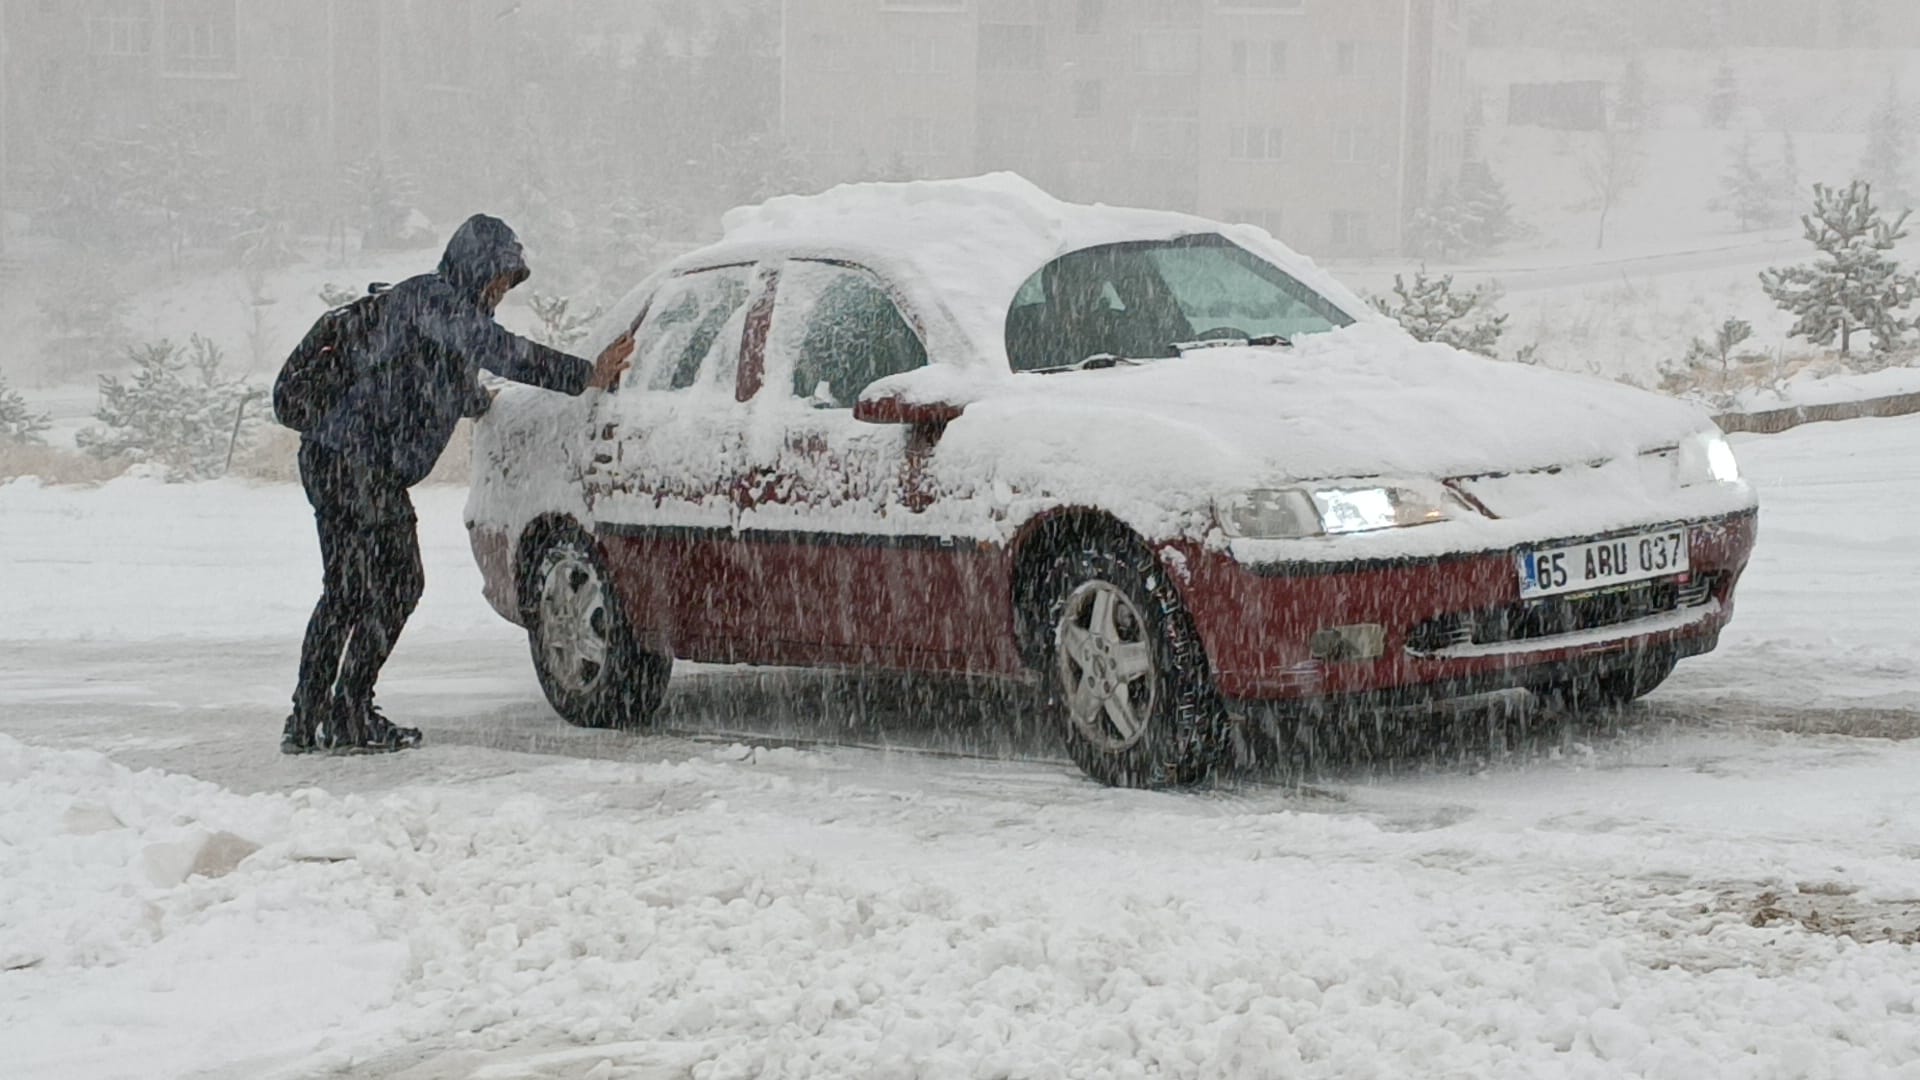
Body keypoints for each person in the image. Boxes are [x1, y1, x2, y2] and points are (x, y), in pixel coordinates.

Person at [282, 214, 633, 754]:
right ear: (476, 267)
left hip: (338, 459)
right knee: (398, 583)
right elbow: (496, 349)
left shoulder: (433, 314)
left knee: (350, 591)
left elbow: (435, 379)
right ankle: (346, 709)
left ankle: (311, 718)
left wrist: (481, 404)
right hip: (355, 463)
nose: (500, 292)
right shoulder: (433, 297)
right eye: (499, 278)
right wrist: (586, 374)